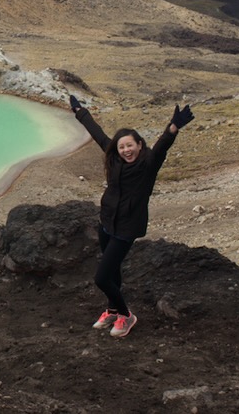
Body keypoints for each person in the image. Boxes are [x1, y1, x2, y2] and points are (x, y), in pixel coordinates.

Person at [70, 94, 193, 338]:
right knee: (112, 271)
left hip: (126, 228)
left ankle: (126, 315)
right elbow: (98, 133)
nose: (126, 150)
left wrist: (173, 127)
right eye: (122, 146)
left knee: (102, 277)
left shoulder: (148, 164)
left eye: (130, 145)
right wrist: (80, 112)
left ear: (139, 145)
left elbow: (162, 147)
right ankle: (112, 310)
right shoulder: (114, 160)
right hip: (106, 222)